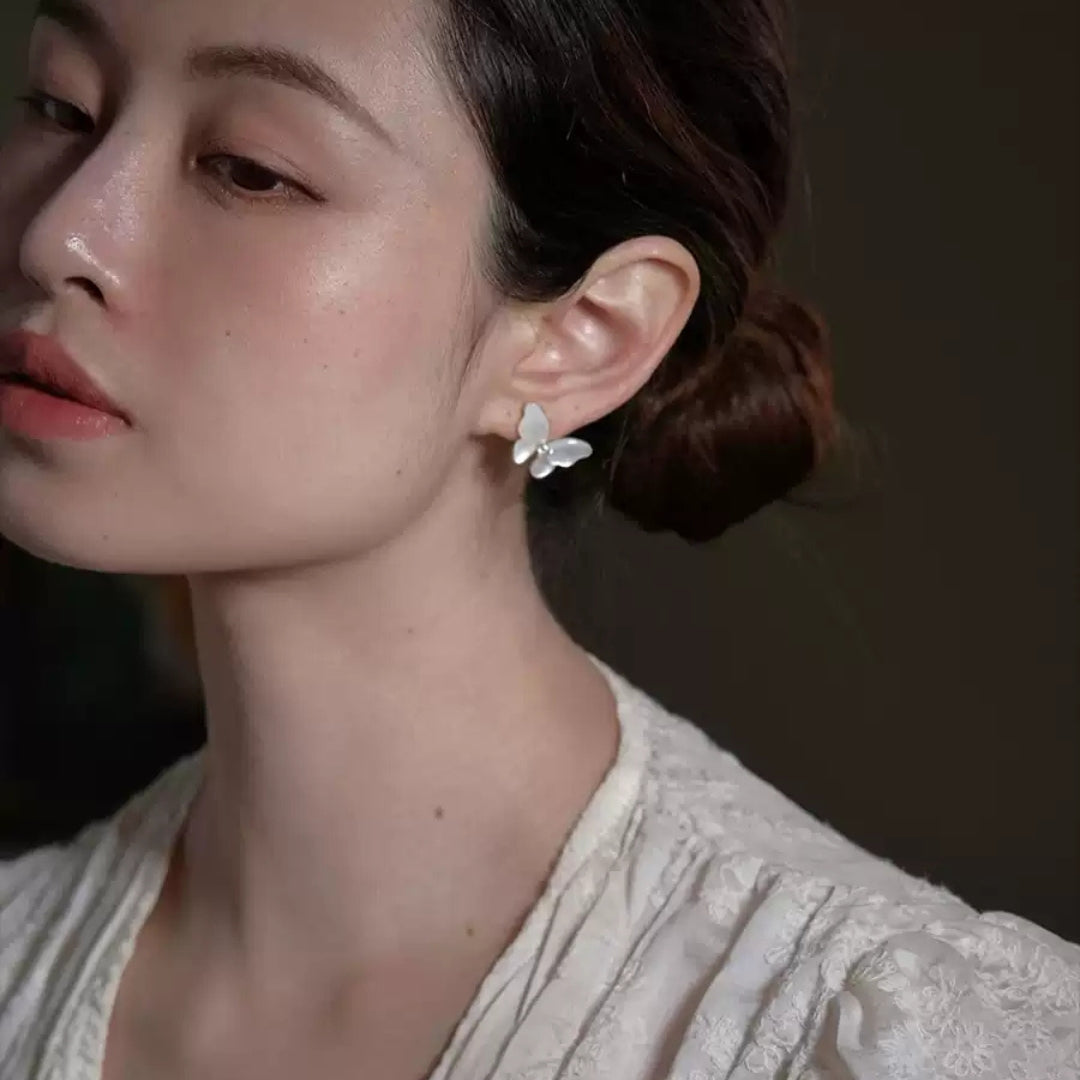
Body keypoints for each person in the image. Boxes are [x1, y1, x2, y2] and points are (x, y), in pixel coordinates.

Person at [0, 0, 1076, 1076]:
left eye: (247, 167)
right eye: (61, 103)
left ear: (580, 337)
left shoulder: (878, 1040)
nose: (58, 235)